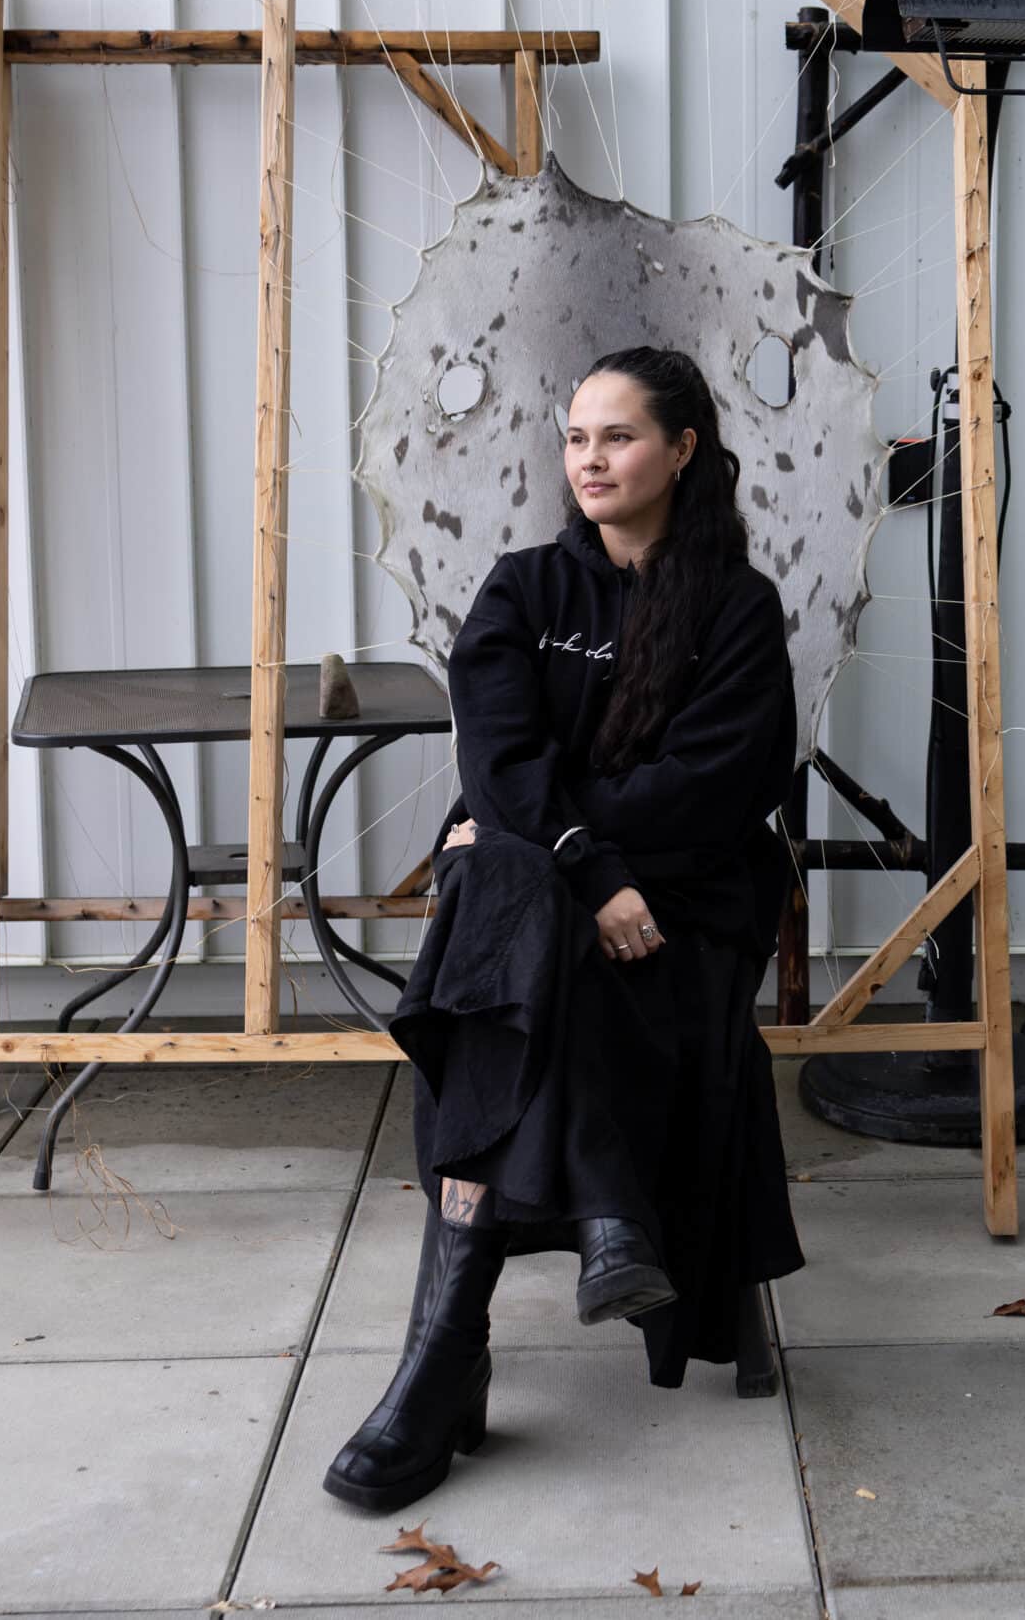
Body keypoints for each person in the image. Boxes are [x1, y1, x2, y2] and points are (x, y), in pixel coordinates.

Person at [324, 345, 805, 1512]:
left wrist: (556, 842)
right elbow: (496, 755)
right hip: (579, 894)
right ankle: (602, 1215)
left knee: (501, 913)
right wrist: (583, 865)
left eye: (618, 437)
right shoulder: (525, 588)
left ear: (681, 451)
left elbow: (715, 786)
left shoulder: (736, 608)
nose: (590, 459)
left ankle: (444, 1357)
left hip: (686, 907)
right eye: (577, 437)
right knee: (517, 899)